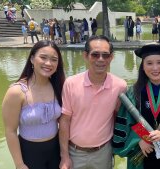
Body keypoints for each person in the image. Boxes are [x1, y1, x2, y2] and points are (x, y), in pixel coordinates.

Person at [59, 35, 127, 169]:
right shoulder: (71, 84)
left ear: (111, 57)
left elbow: (120, 118)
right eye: (95, 55)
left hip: (103, 152)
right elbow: (65, 120)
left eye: (105, 55)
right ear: (85, 56)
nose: (100, 59)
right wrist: (65, 156)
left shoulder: (120, 86)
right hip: (74, 152)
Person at [2, 40, 66, 169]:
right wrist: (19, 164)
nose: (48, 63)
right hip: (29, 153)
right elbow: (10, 131)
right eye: (43, 57)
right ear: (32, 59)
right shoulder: (17, 92)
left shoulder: (59, 86)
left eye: (54, 59)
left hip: (55, 150)